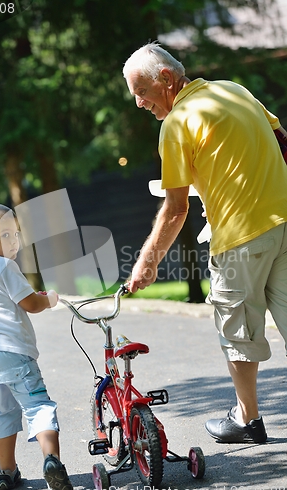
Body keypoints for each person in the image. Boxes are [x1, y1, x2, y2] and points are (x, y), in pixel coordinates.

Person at [123, 42, 287, 444]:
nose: (141, 104)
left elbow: (175, 208)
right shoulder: (233, 89)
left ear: (166, 78)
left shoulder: (177, 123)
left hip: (239, 238)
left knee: (236, 332)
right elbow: (282, 139)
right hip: (285, 222)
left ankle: (248, 420)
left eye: (141, 92)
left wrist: (147, 262)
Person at [0, 203, 73, 490]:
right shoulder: (4, 266)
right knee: (38, 406)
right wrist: (49, 299)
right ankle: (52, 462)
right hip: (11, 354)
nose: (15, 241)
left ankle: (7, 471)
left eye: (16, 234)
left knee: (4, 409)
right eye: (6, 234)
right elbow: (30, 304)